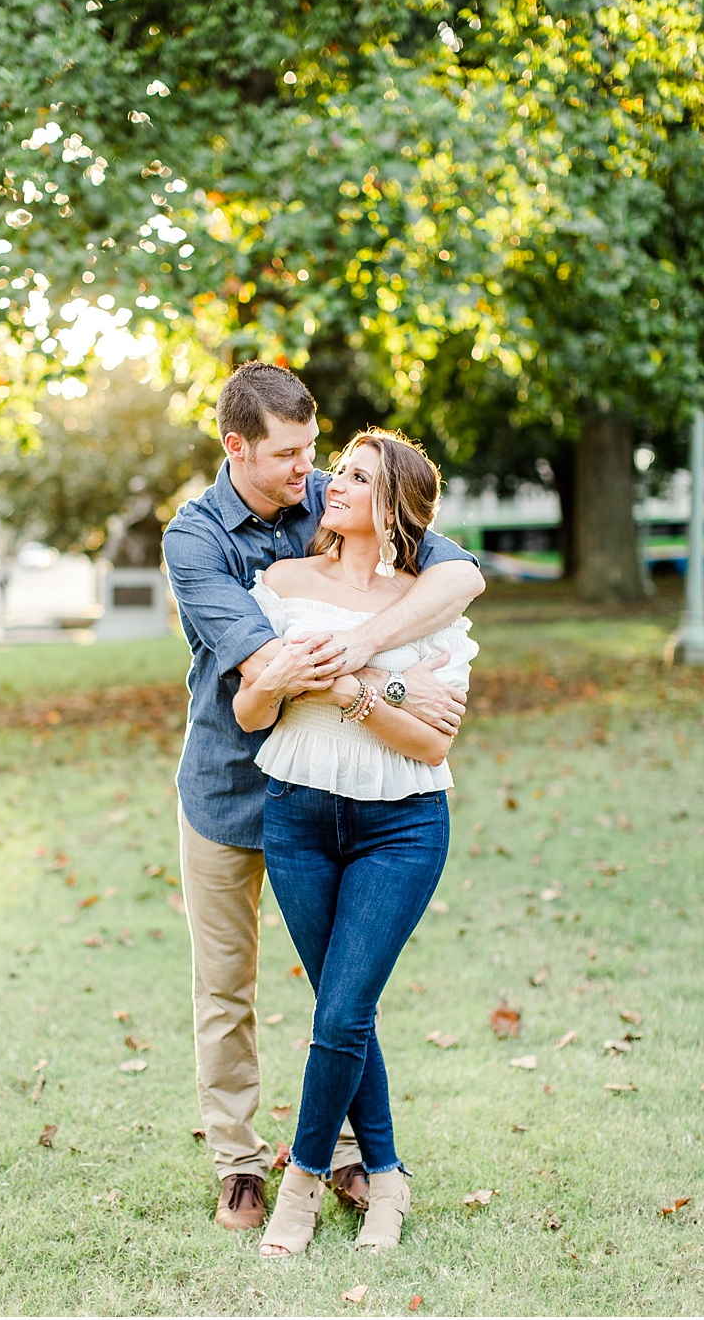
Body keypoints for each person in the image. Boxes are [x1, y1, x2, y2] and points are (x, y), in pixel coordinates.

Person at [162, 363, 484, 1231]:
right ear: (237, 448)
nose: (309, 469)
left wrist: (363, 650)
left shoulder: (327, 499)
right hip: (232, 786)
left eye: (317, 451)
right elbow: (262, 666)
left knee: (342, 988)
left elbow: (454, 577)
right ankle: (239, 1164)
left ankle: (349, 1157)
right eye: (290, 454)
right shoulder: (194, 540)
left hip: (340, 786)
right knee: (226, 986)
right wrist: (393, 684)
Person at [234, 429, 468, 1255]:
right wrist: (310, 683)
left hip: (401, 827)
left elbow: (433, 742)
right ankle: (389, 1177)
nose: (333, 481)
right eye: (340, 468)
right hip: (297, 815)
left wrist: (349, 691)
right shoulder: (284, 583)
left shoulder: (428, 600)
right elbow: (251, 709)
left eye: (358, 476)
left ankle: (300, 1184)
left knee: (340, 1010)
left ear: (392, 504)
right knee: (346, 1008)